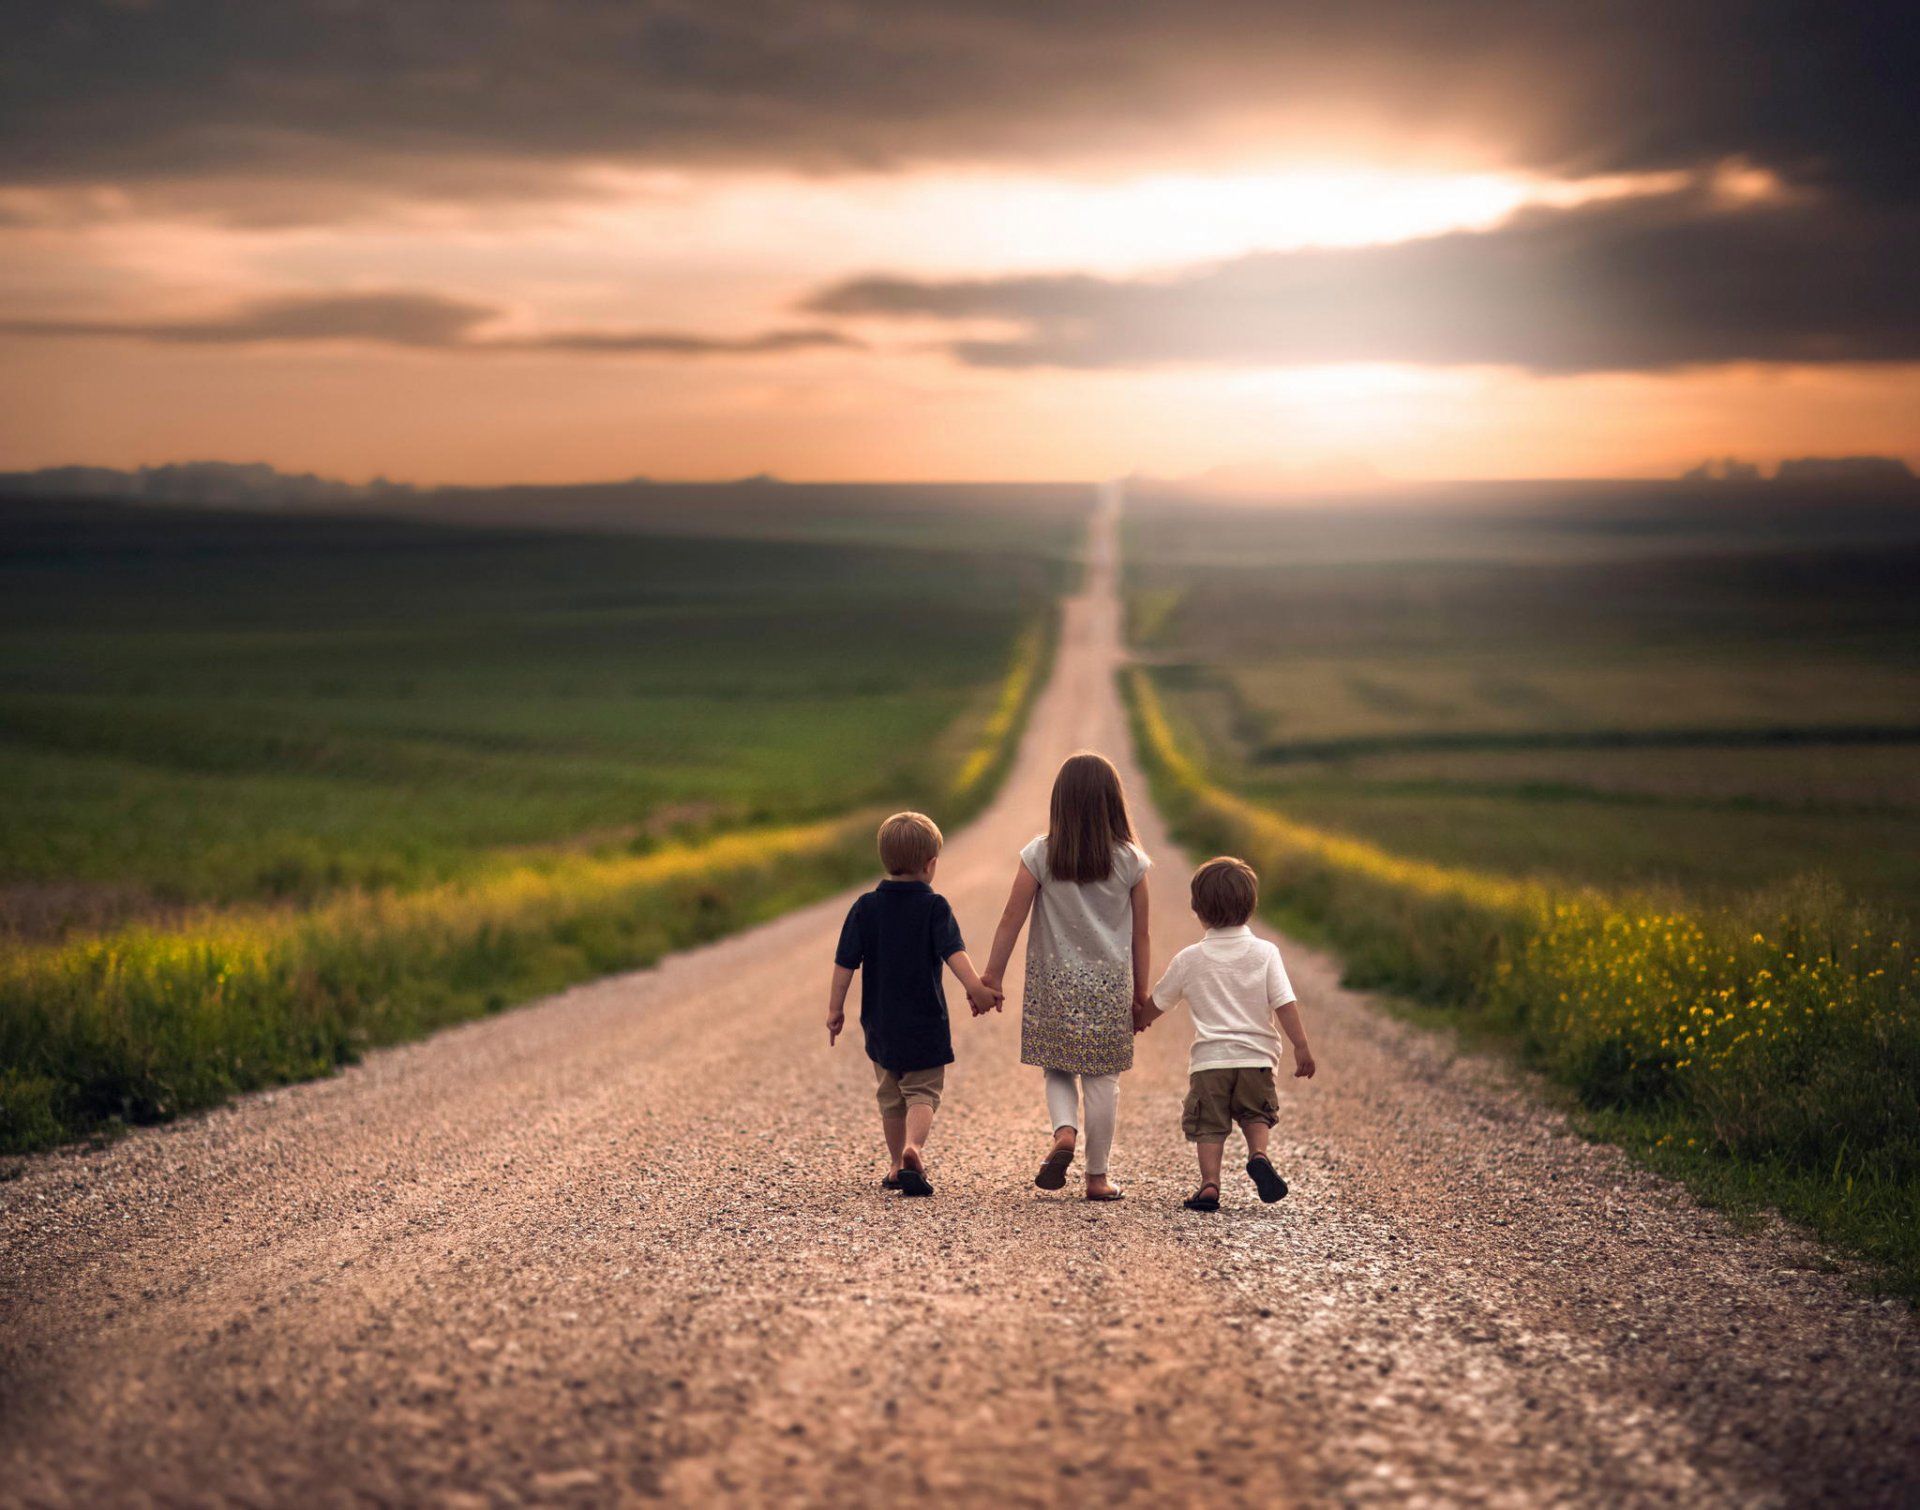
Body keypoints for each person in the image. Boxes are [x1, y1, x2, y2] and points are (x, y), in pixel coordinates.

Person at [981, 752, 1150, 1201]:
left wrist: (992, 978)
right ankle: (1097, 1178)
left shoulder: (1040, 853)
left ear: (1061, 802)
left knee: (1056, 1065)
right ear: (1114, 802)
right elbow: (1143, 936)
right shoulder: (1131, 861)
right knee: (1103, 1078)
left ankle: (1064, 1133)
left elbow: (1009, 920)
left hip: (1052, 982)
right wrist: (1142, 994)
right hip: (1109, 986)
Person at [828, 811, 1000, 1197]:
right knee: (922, 1091)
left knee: (890, 1096)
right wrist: (977, 990)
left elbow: (844, 963)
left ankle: (893, 1166)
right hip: (925, 1022)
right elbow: (955, 954)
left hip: (880, 1023)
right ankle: (914, 1147)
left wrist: (834, 1009)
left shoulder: (864, 907)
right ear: (930, 865)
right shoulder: (935, 907)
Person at [1137, 856, 1315, 1212]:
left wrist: (1139, 1019)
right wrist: (1301, 1046)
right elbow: (1284, 1003)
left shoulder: (1189, 959)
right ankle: (1259, 1155)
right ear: (1251, 906)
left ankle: (1209, 1185)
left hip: (1210, 1062)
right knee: (1255, 1114)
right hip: (1256, 1058)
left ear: (1197, 909)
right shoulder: (1266, 953)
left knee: (1209, 1125)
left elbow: (1159, 1000)